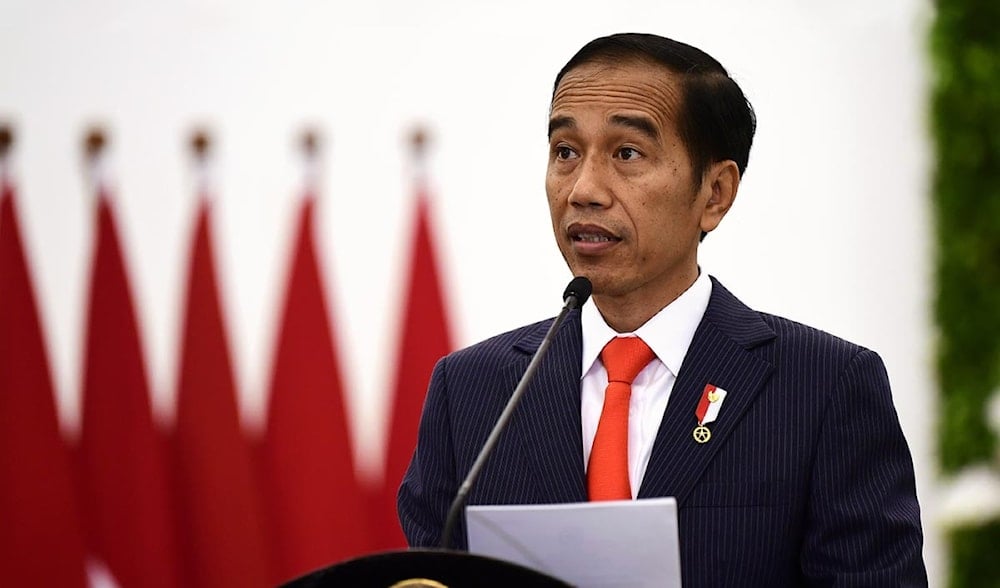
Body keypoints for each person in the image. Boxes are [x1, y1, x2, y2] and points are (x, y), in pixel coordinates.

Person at [397, 32, 926, 586]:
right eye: (566, 152)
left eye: (627, 153)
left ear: (716, 193)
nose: (584, 189)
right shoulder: (473, 391)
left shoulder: (823, 386)